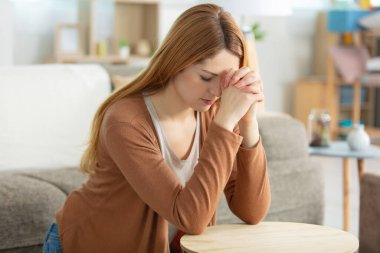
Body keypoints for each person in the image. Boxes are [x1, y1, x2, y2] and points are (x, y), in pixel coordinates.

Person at [42, 3, 270, 253]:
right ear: (176, 62)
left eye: (226, 79)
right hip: (86, 243)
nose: (217, 92)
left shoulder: (211, 113)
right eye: (206, 77)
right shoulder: (126, 122)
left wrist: (248, 123)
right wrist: (225, 124)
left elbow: (252, 212)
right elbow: (191, 218)